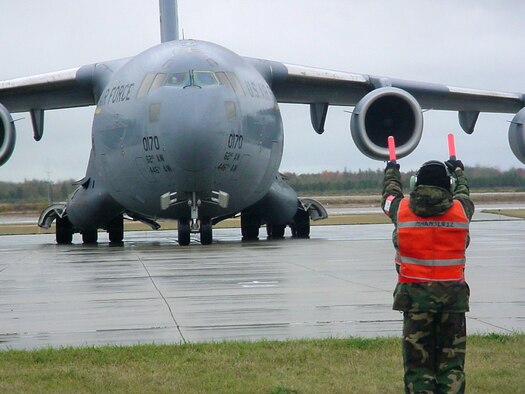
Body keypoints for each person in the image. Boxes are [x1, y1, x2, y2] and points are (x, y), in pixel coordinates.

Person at [381, 158, 474, 394]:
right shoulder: (461, 209)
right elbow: (464, 192)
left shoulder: (400, 209)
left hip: (415, 300)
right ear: (448, 186)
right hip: (452, 300)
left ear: (416, 184)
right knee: (451, 365)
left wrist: (392, 170)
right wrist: (460, 172)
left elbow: (388, 196)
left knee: (417, 366)